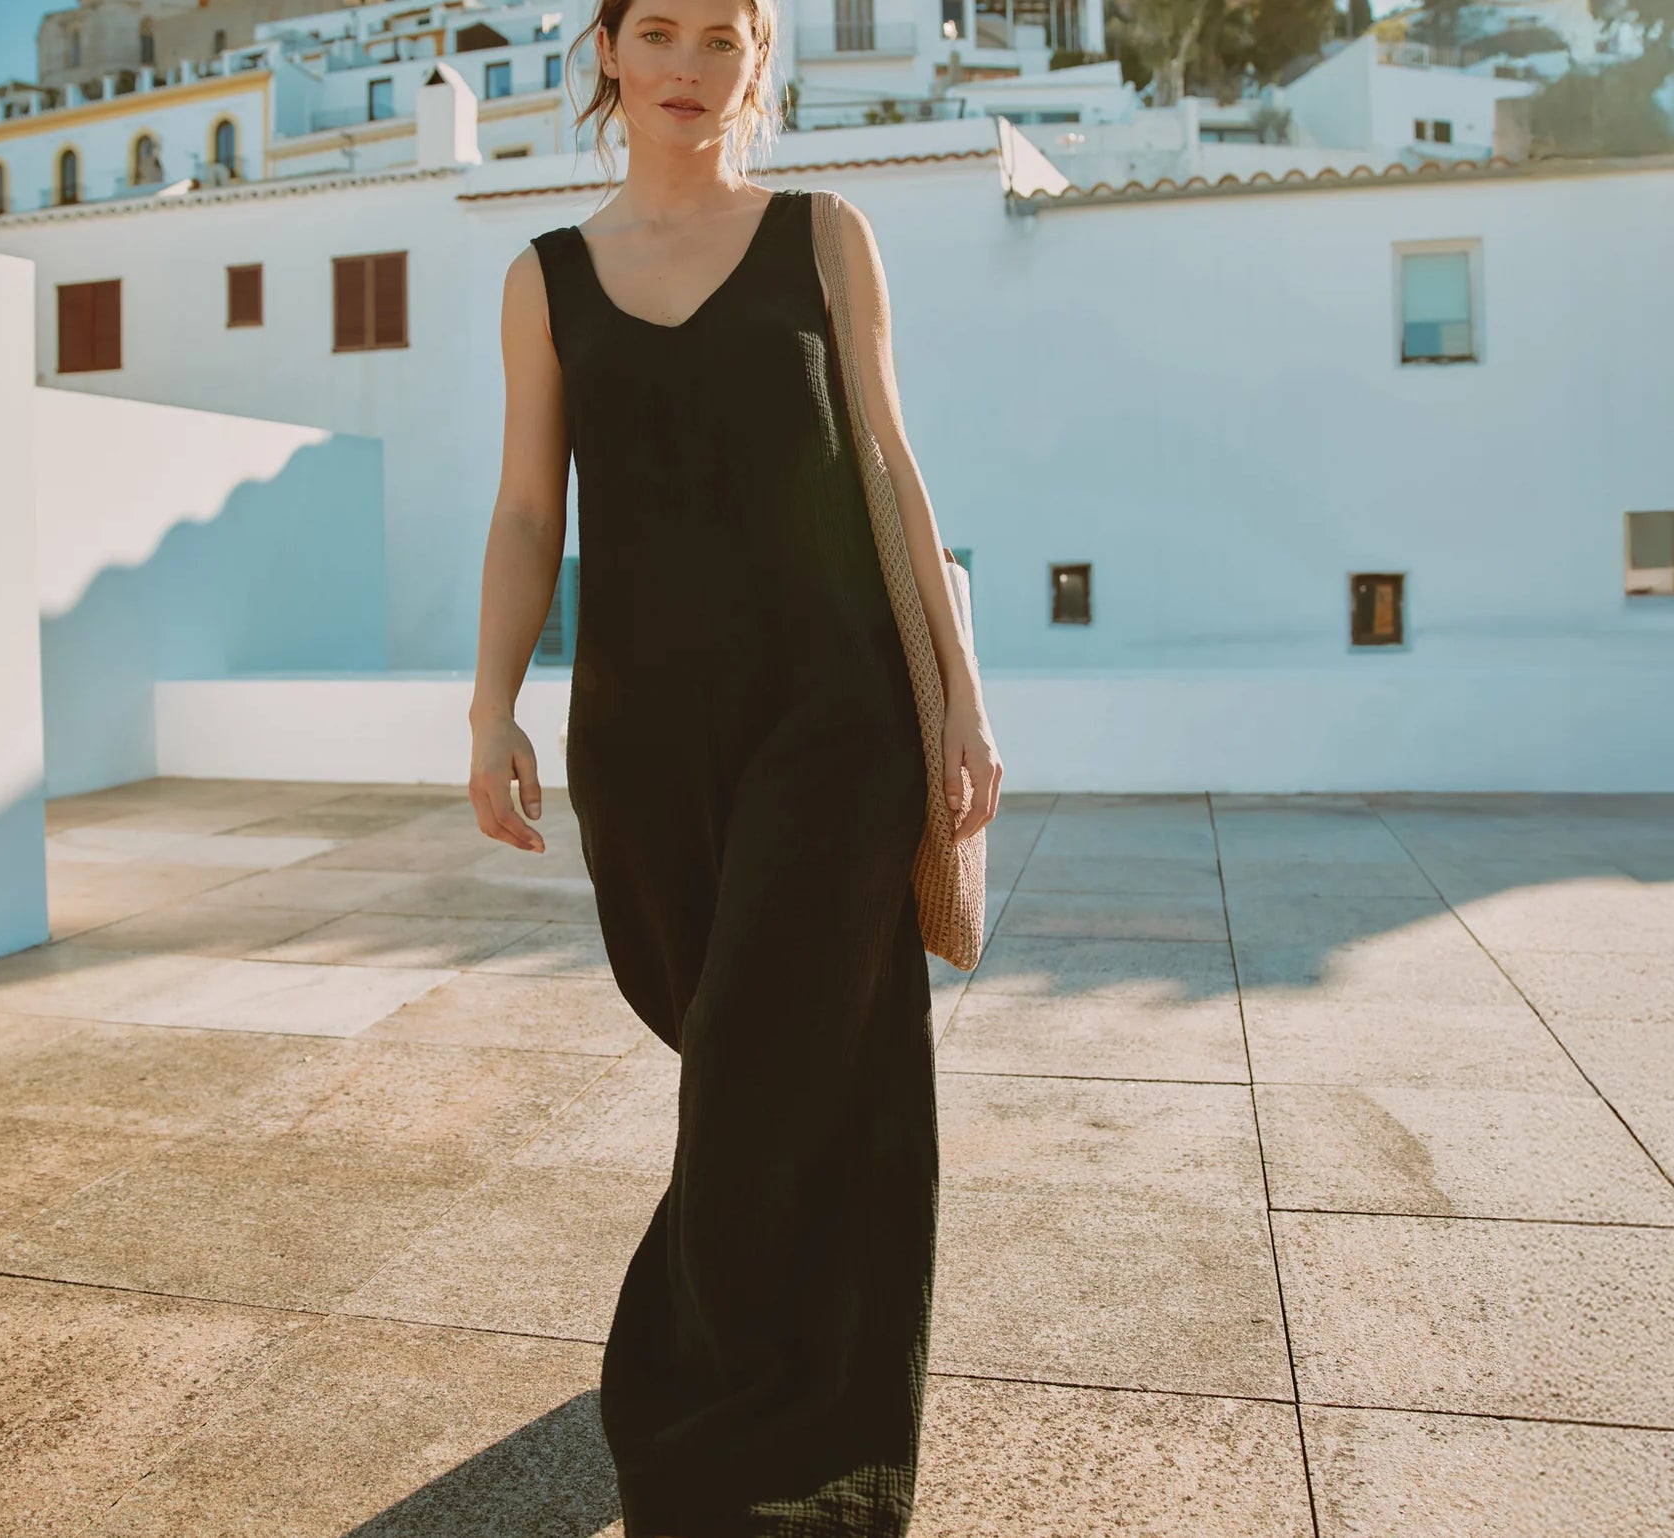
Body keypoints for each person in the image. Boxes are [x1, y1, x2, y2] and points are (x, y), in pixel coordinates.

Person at [466, 0, 1002, 1528]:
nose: (689, 68)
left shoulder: (826, 236)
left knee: (765, 1061)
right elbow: (529, 509)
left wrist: (961, 697)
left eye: (722, 38)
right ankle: (777, 1371)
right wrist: (492, 705)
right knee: (750, 1059)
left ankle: (715, 1432)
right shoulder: (545, 277)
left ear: (757, 60)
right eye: (661, 32)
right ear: (609, 53)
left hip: (836, 714)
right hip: (641, 733)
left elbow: (888, 459)